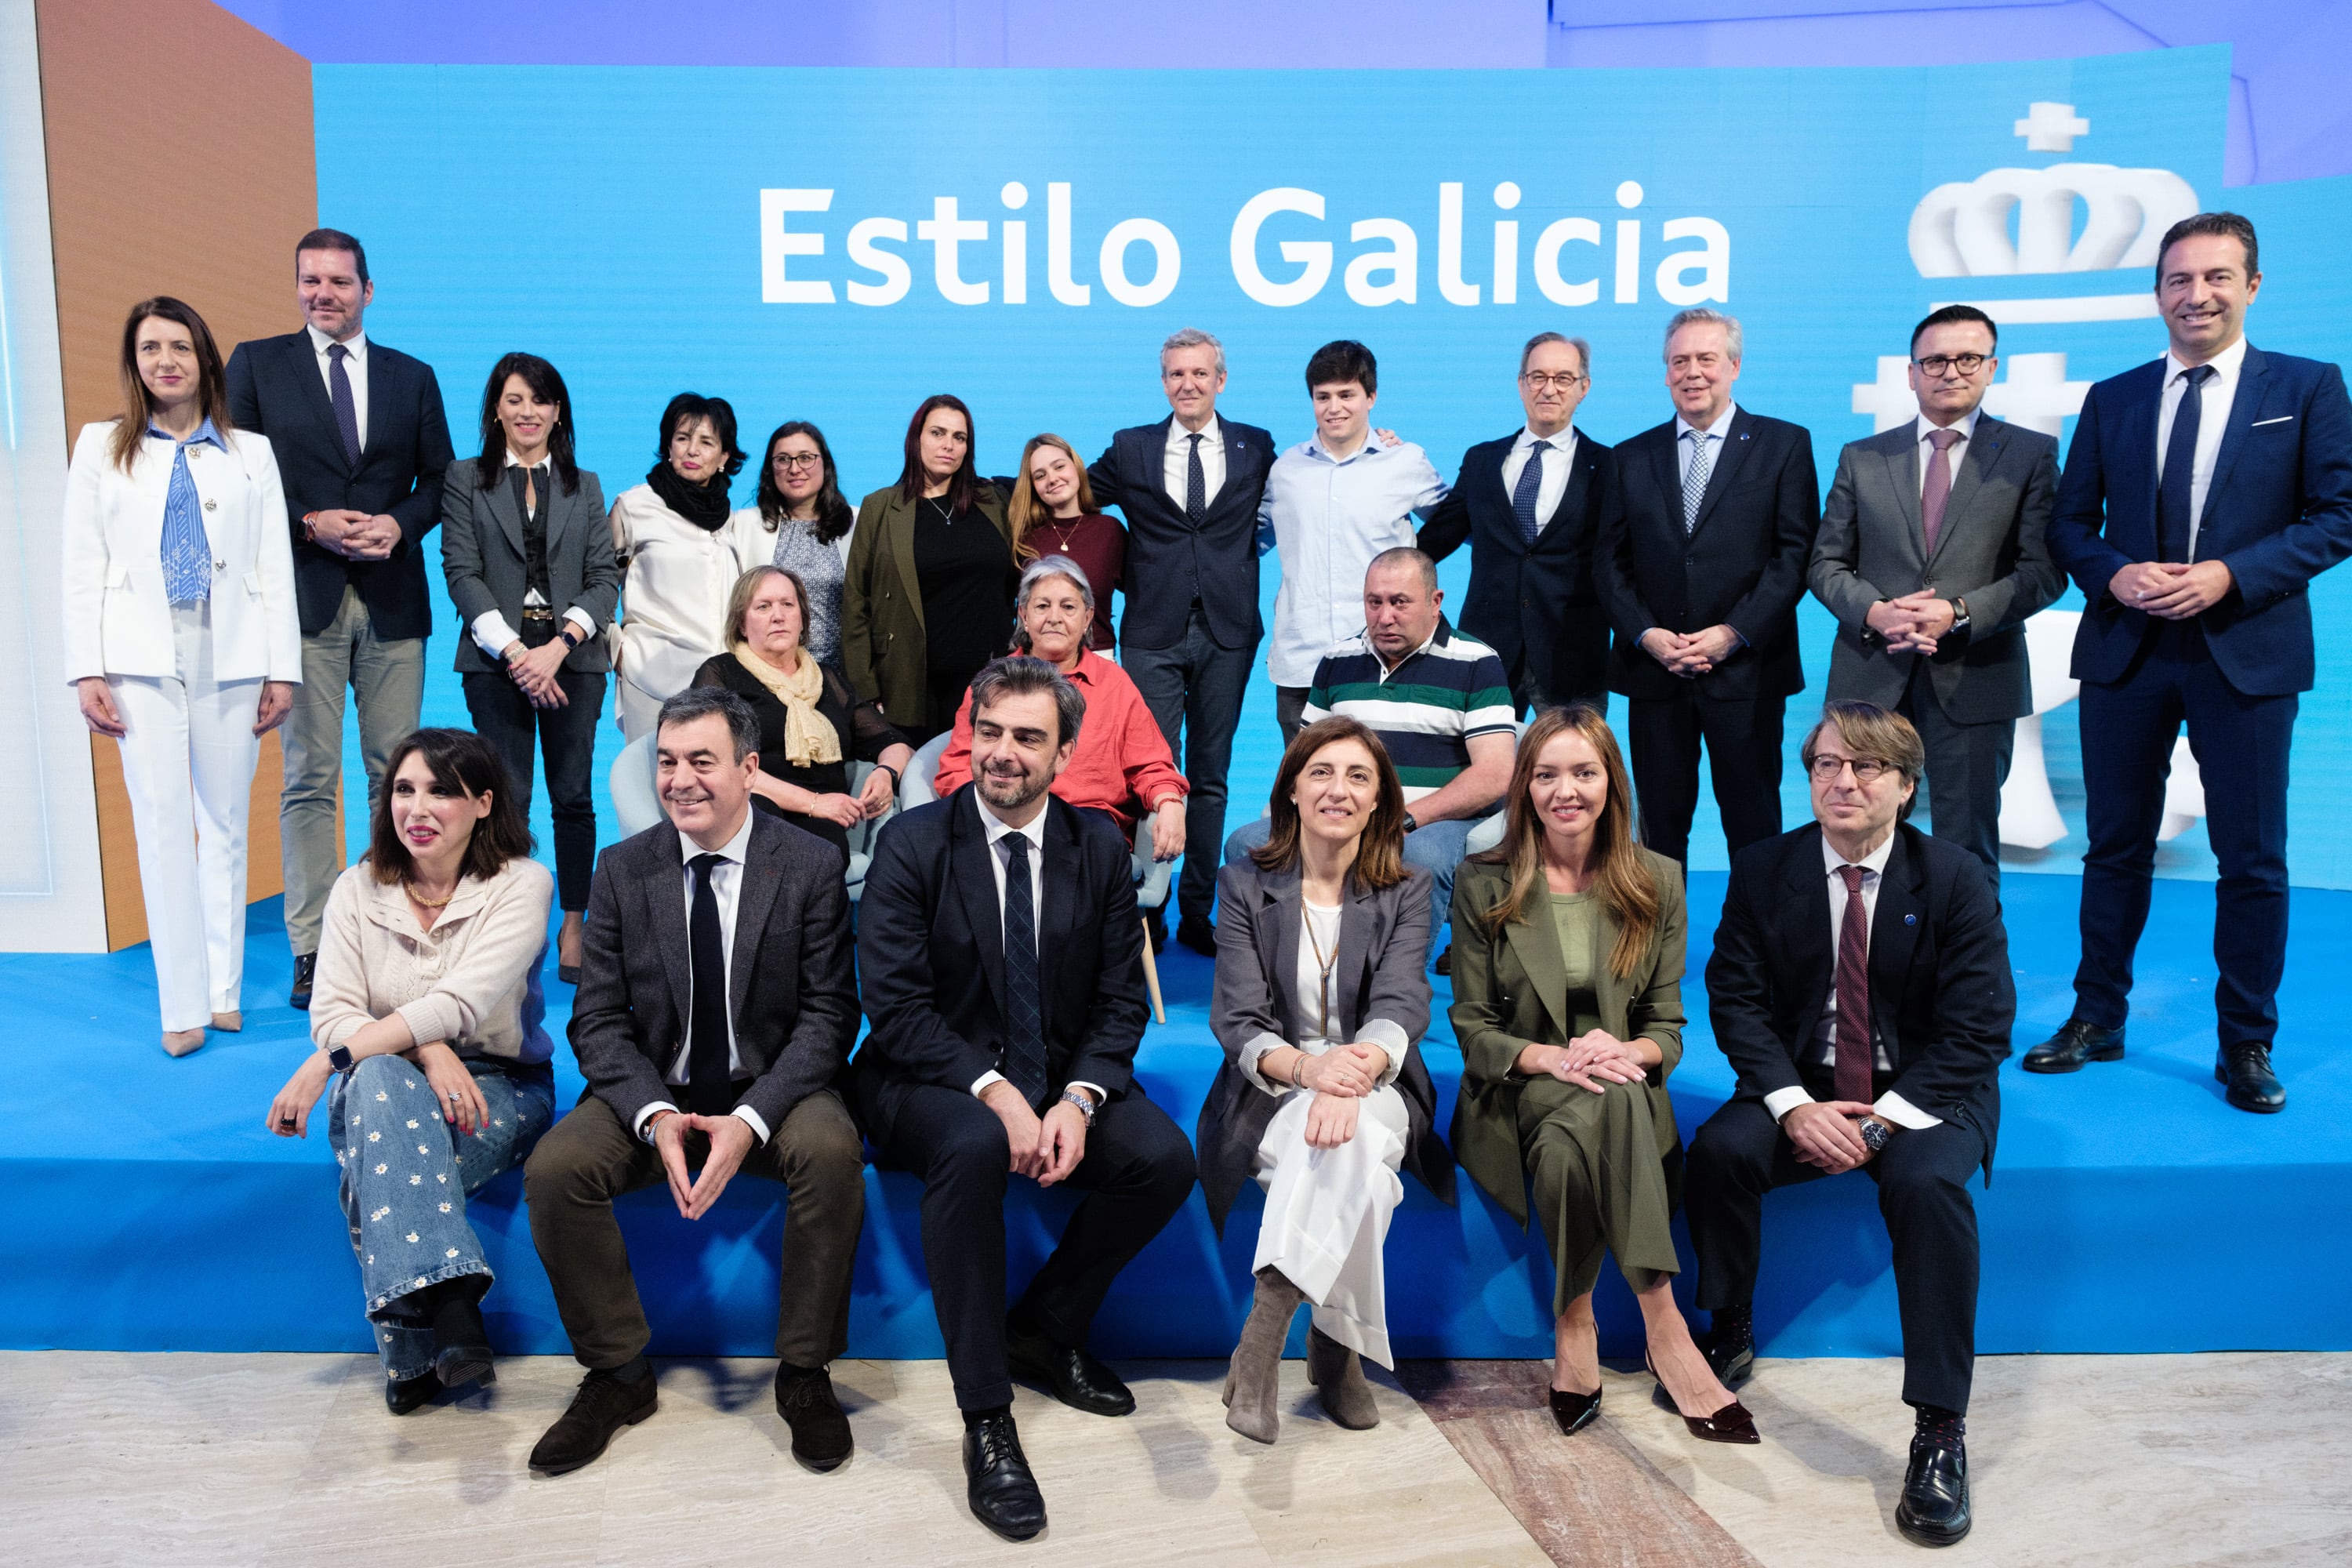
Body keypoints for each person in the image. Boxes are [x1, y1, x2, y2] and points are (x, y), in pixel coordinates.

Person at [855, 656, 1197, 1541]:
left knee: (1163, 1158)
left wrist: (1078, 1097)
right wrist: (998, 1089)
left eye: (1028, 737)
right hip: (926, 1076)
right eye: (991, 732)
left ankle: (1044, 1327)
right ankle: (987, 1416)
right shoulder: (913, 840)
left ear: (1067, 750)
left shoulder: (1095, 849)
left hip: (1053, 1072)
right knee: (971, 1140)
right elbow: (894, 1008)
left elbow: (1123, 1001)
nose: (1003, 754)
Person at [2029, 212, 2352, 1113]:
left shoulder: (2309, 386)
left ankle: (2246, 1040)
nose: (2196, 294)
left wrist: (2229, 575)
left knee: (2253, 860)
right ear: (2158, 292)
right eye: (2179, 278)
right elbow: (2065, 525)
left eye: (2217, 276)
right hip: (2127, 654)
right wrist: (2116, 573)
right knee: (2113, 848)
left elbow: (2340, 514)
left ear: (2253, 285)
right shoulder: (2115, 396)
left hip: (2246, 653)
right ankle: (2097, 1016)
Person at [1687, 701, 2011, 1548]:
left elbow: (1980, 1026)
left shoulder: (1955, 875)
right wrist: (1794, 1104)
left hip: (1928, 1091)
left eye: (1866, 766)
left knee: (1927, 1180)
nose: (1843, 780)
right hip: (1811, 1080)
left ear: (1906, 784)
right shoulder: (1765, 868)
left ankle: (1940, 1427)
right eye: (1827, 763)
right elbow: (1738, 1001)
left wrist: (1883, 1123)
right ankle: (1726, 1325)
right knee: (1721, 1148)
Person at [523, 685, 868, 1476]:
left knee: (829, 1149)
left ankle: (806, 1373)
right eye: (667, 761)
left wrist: (752, 1116)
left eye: (702, 761)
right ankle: (617, 1372)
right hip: (658, 1086)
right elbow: (598, 1022)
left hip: (777, 1086)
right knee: (556, 1166)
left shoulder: (810, 863)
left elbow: (828, 1018)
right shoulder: (621, 868)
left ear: (749, 768)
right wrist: (651, 1112)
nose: (679, 779)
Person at [1448, 706, 1752, 1444]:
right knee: (1603, 1104)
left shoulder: (1659, 880)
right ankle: (1666, 1325)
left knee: (1581, 1133)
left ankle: (1574, 1321)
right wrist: (1553, 1055)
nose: (1566, 791)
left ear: (1612, 783)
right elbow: (1473, 1027)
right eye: (1546, 775)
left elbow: (1667, 1028)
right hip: (1519, 1089)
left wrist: (1627, 1053)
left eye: (1584, 773)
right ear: (1524, 788)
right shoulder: (1483, 884)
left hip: (1616, 1083)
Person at [265, 729, 554, 1415]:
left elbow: (462, 1002)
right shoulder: (357, 888)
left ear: (483, 803)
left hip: (500, 1084)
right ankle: (455, 1306)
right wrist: (424, 1048)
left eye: (441, 792)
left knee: (375, 1138)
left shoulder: (522, 884)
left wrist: (326, 1066)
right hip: (385, 1073)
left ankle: (409, 1348)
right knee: (378, 1085)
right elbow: (333, 1011)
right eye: (404, 789)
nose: (416, 808)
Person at [1196, 717, 1456, 1445]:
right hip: (1273, 1084)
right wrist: (1312, 1072)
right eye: (1321, 772)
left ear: (1381, 802)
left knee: (1354, 1138)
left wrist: (1355, 1075)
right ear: (1291, 788)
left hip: (1378, 1081)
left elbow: (1404, 1002)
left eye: (1358, 777)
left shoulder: (1407, 886)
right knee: (1362, 1173)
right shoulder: (1245, 882)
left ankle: (1262, 1338)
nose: (1337, 789)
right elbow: (1239, 1020)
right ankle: (1336, 1354)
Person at [64, 296, 299, 1054]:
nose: (166, 360)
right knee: (162, 825)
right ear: (134, 363)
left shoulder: (249, 451)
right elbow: (81, 566)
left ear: (204, 359)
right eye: (150, 348)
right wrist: (84, 669)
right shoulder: (101, 447)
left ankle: (225, 991)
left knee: (227, 826)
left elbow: (273, 567)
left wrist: (283, 669)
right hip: (137, 658)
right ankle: (181, 1006)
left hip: (233, 653)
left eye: (180, 347)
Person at [225, 228, 454, 1011]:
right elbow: (238, 477)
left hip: (394, 597)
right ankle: (314, 946)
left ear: (367, 289)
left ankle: (388, 933)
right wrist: (309, 522)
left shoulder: (412, 376)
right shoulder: (256, 365)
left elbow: (439, 482)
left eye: (339, 281)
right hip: (305, 596)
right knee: (309, 777)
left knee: (397, 776)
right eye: (309, 280)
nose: (323, 293)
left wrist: (399, 524)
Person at [1809, 305, 2063, 883]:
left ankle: (1967, 973)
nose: (1951, 371)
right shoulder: (1864, 456)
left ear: (1992, 366)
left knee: (1966, 844)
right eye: (1936, 360)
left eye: (1968, 358)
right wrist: (1875, 611)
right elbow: (1825, 563)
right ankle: (1857, 963)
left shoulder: (2028, 455)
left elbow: (2045, 570)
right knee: (1855, 836)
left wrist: (1960, 612)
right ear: (1912, 372)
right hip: (1872, 673)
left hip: (1975, 674)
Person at [1595, 307, 1819, 866]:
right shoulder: (1630, 456)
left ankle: (1762, 951)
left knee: (1755, 823)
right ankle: (1658, 951)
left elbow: (1795, 557)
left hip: (1747, 672)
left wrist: (1733, 632)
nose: (1693, 372)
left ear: (1734, 366)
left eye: (1706, 359)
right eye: (1679, 361)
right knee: (1659, 831)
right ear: (1665, 373)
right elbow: (1608, 563)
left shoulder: (1784, 444)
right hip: (1656, 673)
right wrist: (1646, 634)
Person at [1225, 549, 1514, 966]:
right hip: (1342, 812)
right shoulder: (1338, 660)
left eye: (1400, 602)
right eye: (1374, 602)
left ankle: (1390, 993)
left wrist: (1407, 818)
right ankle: (1290, 976)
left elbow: (1495, 774)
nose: (1384, 616)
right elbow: (1301, 760)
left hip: (1431, 823)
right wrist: (1287, 813)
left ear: (1436, 602)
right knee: (1246, 844)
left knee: (1420, 858)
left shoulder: (1476, 662)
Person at [1088, 328, 1277, 956]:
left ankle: (1200, 909)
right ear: (1163, 381)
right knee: (1152, 772)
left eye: (1200, 374)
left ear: (1220, 380)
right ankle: (1150, 905)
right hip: (1153, 630)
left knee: (1212, 776)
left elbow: (1313, 475)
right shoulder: (1131, 447)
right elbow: (1068, 490)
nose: (1188, 384)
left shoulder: (1257, 447)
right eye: (1176, 374)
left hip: (1227, 630)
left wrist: (1381, 445)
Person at [438, 352, 620, 983]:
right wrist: (516, 653)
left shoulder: (585, 485)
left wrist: (558, 647)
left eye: (540, 401)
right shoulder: (464, 478)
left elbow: (604, 578)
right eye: (515, 400)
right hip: (496, 664)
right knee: (503, 798)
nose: (528, 412)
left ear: (558, 412)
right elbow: (461, 572)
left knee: (572, 796)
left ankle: (574, 923)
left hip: (573, 660)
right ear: (496, 408)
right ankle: (507, 927)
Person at [1258, 339, 1448, 741]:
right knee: (1307, 790)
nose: (1334, 407)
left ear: (1371, 397)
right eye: (1322, 396)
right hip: (1301, 658)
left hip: (1386, 653)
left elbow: (1454, 520)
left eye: (1347, 394)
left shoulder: (1406, 461)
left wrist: (1413, 565)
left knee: (1392, 785)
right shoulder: (1286, 469)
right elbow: (1250, 540)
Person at [932, 557, 1186, 856]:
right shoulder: (992, 682)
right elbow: (956, 769)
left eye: (1068, 607)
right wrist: (988, 814)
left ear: (1088, 616)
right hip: (1003, 819)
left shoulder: (1115, 684)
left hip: (1088, 826)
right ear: (1024, 615)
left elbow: (1151, 765)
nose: (1054, 617)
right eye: (1042, 606)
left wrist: (1169, 802)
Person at [1420, 332, 1617, 717]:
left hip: (1572, 655)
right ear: (1521, 384)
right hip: (1487, 653)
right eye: (1538, 377)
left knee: (1572, 772)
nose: (1549, 389)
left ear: (1584, 388)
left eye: (1563, 378)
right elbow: (1434, 541)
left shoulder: (1609, 467)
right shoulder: (1481, 460)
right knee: (1482, 773)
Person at [691, 565, 913, 861]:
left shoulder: (828, 681)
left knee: (825, 845)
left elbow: (894, 743)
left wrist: (886, 774)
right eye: (764, 607)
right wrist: (814, 803)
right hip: (753, 810)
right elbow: (715, 762)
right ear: (742, 625)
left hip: (824, 823)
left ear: (802, 619)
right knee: (777, 832)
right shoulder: (721, 673)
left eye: (787, 604)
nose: (778, 616)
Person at [842, 394, 1017, 746]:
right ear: (916, 438)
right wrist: (866, 688)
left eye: (959, 437)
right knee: (917, 789)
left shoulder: (994, 500)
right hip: (909, 682)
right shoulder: (880, 507)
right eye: (938, 433)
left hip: (988, 678)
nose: (948, 445)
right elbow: (856, 602)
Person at [609, 394, 765, 740]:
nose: (692, 450)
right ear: (668, 446)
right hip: (652, 680)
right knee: (653, 788)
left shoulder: (733, 520)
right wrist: (617, 652)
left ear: (724, 456)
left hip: (722, 683)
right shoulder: (635, 506)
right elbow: (599, 584)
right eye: (682, 438)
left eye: (706, 442)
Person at [748, 420, 856, 680]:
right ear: (770, 469)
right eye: (783, 460)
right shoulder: (746, 526)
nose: (795, 468)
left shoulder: (858, 523)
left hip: (843, 678)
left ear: (825, 464)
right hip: (770, 675)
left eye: (806, 458)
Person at [1008, 434, 1124, 653]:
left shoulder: (1110, 531)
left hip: (1098, 660)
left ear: (1077, 467)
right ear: (1032, 486)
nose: (1052, 479)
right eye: (1040, 475)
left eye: (1059, 467)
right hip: (1037, 665)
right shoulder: (1024, 537)